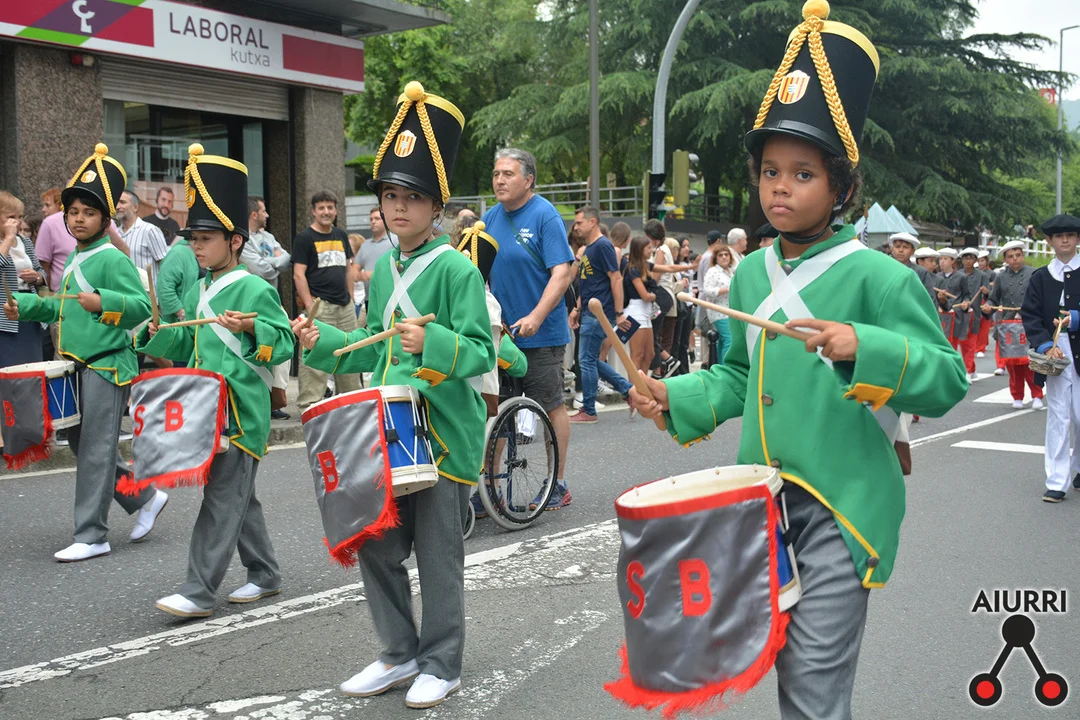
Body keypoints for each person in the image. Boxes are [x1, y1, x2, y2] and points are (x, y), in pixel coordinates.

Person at [629, 5, 967, 716]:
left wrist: (864, 347)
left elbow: (946, 380)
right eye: (770, 171)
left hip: (844, 505)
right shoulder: (751, 273)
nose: (780, 186)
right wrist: (673, 396)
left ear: (842, 187)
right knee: (783, 667)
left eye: (803, 173)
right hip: (762, 500)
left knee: (813, 680)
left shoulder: (882, 278)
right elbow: (740, 375)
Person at [295, 82, 492, 709]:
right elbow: (371, 344)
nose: (399, 207)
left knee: (437, 557)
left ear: (437, 207)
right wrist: (320, 339)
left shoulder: (457, 268)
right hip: (388, 429)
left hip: (442, 432)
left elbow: (481, 351)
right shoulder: (381, 268)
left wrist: (433, 344)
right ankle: (398, 650)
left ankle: (442, 661)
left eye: (413, 198)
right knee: (376, 544)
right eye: (390, 196)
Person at [136, 143, 291, 617]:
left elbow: (285, 341)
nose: (196, 246)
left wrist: (251, 329)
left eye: (205, 238)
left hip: (240, 410)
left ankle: (199, 589)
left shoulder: (255, 287)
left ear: (235, 241)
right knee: (237, 495)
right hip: (208, 407)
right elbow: (188, 342)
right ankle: (265, 573)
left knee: (222, 497)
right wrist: (155, 335)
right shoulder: (199, 289)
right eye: (193, 239)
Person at [3, 143, 166, 562]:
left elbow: (142, 307)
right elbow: (61, 306)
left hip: (108, 365)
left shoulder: (110, 258)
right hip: (77, 364)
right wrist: (25, 305)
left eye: (89, 213)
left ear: (105, 220)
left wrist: (104, 301)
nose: (78, 218)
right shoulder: (79, 256)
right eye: (73, 211)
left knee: (95, 449)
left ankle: (93, 534)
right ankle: (144, 497)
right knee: (84, 445)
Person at [484, 147, 574, 506]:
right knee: (496, 409)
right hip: (502, 335)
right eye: (496, 174)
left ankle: (557, 483)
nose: (499, 180)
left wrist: (536, 316)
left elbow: (562, 273)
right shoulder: (489, 218)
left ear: (529, 180)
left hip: (541, 334)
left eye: (508, 174)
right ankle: (490, 488)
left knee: (550, 405)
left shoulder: (544, 215)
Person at [1021, 213, 1080, 503]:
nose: (1065, 240)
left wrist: (1075, 319)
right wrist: (1046, 346)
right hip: (1056, 354)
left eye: (1070, 235)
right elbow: (1030, 315)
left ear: (1078, 238)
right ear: (1049, 241)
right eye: (1059, 236)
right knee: (1058, 415)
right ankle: (1057, 481)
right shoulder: (1041, 277)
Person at [291, 190, 361, 410]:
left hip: (345, 306)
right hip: (320, 307)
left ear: (336, 211)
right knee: (315, 354)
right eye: (321, 208)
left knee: (350, 352)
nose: (326, 212)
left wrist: (351, 297)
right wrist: (309, 304)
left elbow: (348, 269)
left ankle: (352, 404)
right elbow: (298, 274)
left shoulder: (341, 235)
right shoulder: (305, 238)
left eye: (330, 207)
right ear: (313, 211)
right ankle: (309, 405)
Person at [567, 206, 633, 425]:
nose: (576, 227)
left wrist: (619, 313)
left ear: (592, 221)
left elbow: (616, 278)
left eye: (579, 223)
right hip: (589, 310)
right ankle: (628, 390)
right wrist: (577, 309)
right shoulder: (589, 248)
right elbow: (587, 283)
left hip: (599, 312)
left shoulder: (603, 246)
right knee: (590, 359)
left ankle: (589, 409)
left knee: (585, 360)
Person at [244, 195, 293, 420]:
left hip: (273, 301)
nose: (267, 215)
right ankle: (259, 399)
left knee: (282, 345)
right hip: (249, 303)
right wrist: (273, 264)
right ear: (254, 214)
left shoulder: (268, 237)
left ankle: (276, 399)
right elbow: (261, 270)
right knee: (257, 350)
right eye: (264, 211)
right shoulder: (242, 240)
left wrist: (270, 264)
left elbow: (286, 259)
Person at [982, 240, 1042, 409]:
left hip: (1029, 323)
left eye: (1018, 255)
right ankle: (1017, 396)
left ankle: (1037, 395)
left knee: (1031, 362)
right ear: (1005, 259)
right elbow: (994, 299)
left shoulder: (1034, 273)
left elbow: (1041, 297)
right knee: (1012, 363)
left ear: (1023, 256)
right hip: (1008, 324)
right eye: (1010, 256)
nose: (1015, 259)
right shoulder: (1001, 277)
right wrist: (988, 306)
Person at [0, 191, 48, 366]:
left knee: (32, 364)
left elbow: (41, 271)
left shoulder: (25, 242)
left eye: (20, 217)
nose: (17, 222)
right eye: (11, 217)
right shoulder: (8, 240)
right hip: (4, 315)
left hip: (28, 309)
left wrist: (37, 277)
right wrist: (8, 238)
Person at [155, 218, 200, 325]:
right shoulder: (179, 252)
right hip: (179, 325)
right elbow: (164, 287)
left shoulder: (201, 253)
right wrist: (182, 314)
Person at [623, 236, 656, 375]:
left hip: (645, 313)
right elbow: (645, 296)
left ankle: (642, 383)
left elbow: (668, 268)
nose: (651, 250)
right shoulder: (632, 269)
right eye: (648, 248)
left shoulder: (645, 267)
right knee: (637, 354)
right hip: (635, 312)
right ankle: (634, 386)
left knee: (649, 354)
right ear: (640, 249)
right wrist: (653, 296)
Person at [116, 190, 169, 276]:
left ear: (135, 207)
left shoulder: (150, 230)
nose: (118, 206)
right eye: (117, 203)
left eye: (122, 202)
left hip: (148, 285)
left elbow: (165, 264)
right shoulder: (115, 234)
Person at [355, 205, 394, 321]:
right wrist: (359, 275)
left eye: (377, 218)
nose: (373, 222)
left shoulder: (396, 241)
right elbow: (354, 269)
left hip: (390, 297)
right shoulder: (365, 245)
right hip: (370, 299)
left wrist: (374, 274)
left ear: (385, 219)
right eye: (371, 219)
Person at [701, 244, 735, 366]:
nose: (724, 257)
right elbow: (707, 291)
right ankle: (726, 367)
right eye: (720, 255)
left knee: (722, 341)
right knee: (729, 339)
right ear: (716, 258)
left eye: (726, 254)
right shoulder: (713, 271)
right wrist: (725, 290)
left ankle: (719, 367)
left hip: (730, 311)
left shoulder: (730, 271)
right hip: (719, 312)